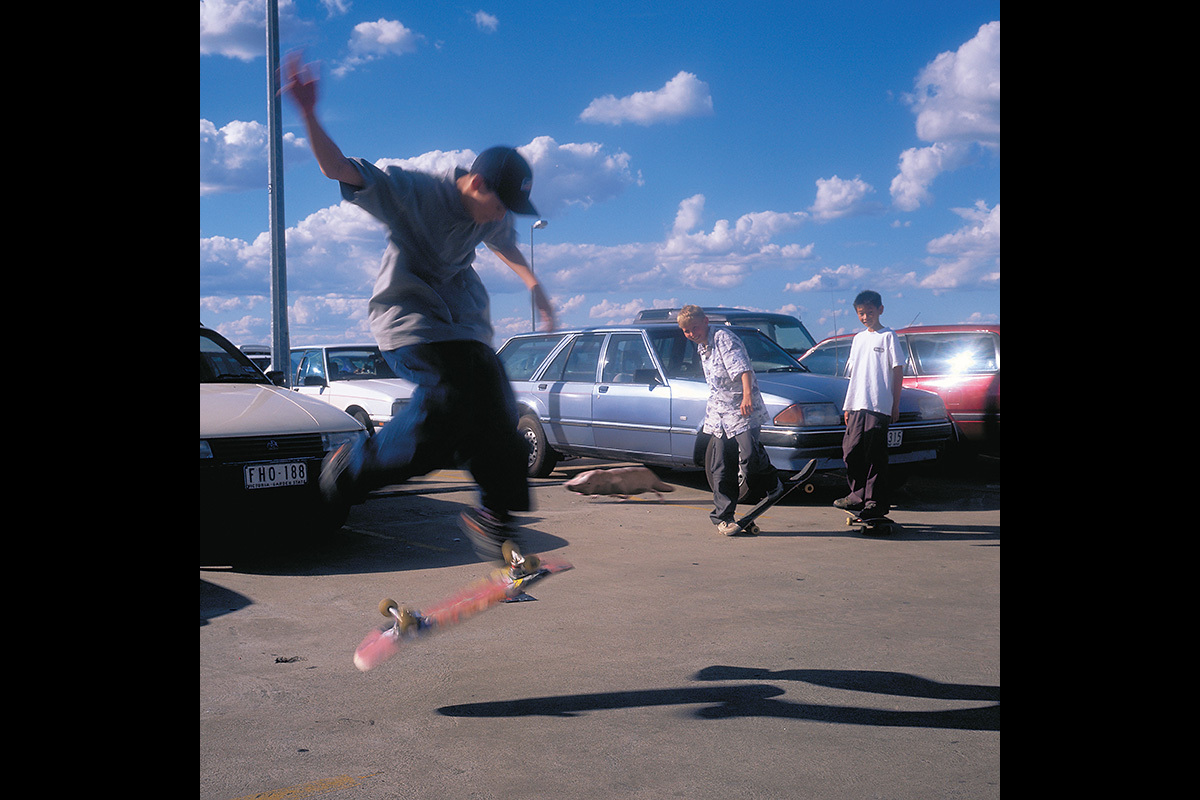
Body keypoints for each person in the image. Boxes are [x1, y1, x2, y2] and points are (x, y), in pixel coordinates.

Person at [282, 54, 556, 563]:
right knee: (446, 406)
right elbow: (337, 169)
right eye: (499, 206)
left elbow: (506, 243)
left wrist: (533, 281)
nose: (499, 219)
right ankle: (351, 466)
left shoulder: (489, 212)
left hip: (461, 325)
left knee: (496, 401)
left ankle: (494, 514)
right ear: (476, 185)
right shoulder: (415, 192)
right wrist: (308, 113)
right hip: (409, 320)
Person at [677, 305, 783, 535]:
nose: (691, 333)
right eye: (686, 331)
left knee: (749, 457)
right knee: (722, 465)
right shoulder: (702, 347)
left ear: (705, 321)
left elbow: (743, 369)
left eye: (694, 327)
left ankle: (773, 482)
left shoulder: (723, 337)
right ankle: (723, 517)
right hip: (719, 413)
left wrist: (747, 396)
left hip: (741, 409)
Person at [836, 290, 903, 518]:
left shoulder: (888, 337)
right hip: (857, 404)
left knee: (875, 454)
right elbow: (854, 374)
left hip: (879, 405)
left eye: (870, 312)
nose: (866, 317)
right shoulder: (858, 339)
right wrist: (848, 405)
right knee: (851, 451)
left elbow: (897, 370)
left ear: (880, 310)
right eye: (861, 313)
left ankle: (875, 502)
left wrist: (894, 404)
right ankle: (857, 497)